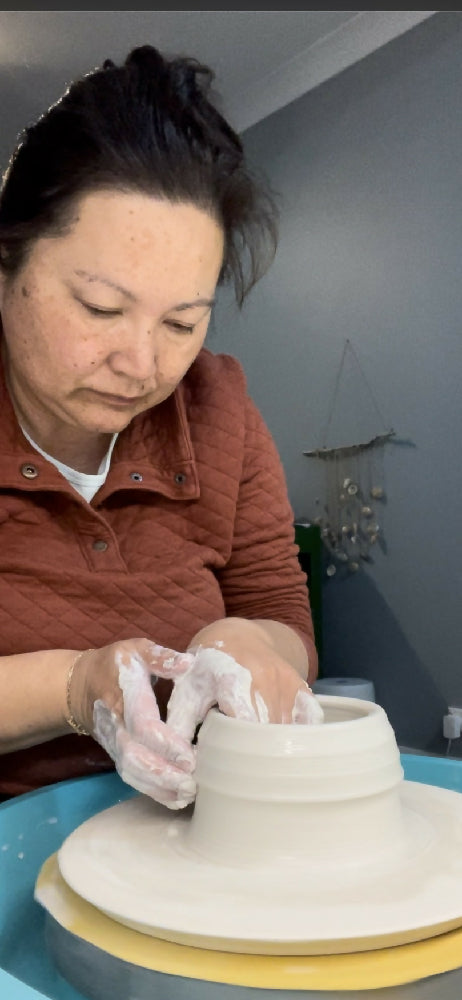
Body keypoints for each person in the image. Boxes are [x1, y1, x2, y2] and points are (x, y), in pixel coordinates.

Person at [0, 44, 322, 807]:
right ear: (7, 266)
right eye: (102, 309)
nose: (142, 364)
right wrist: (76, 685)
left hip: (193, 839)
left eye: (182, 322)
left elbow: (281, 614)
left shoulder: (220, 408)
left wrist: (248, 643)